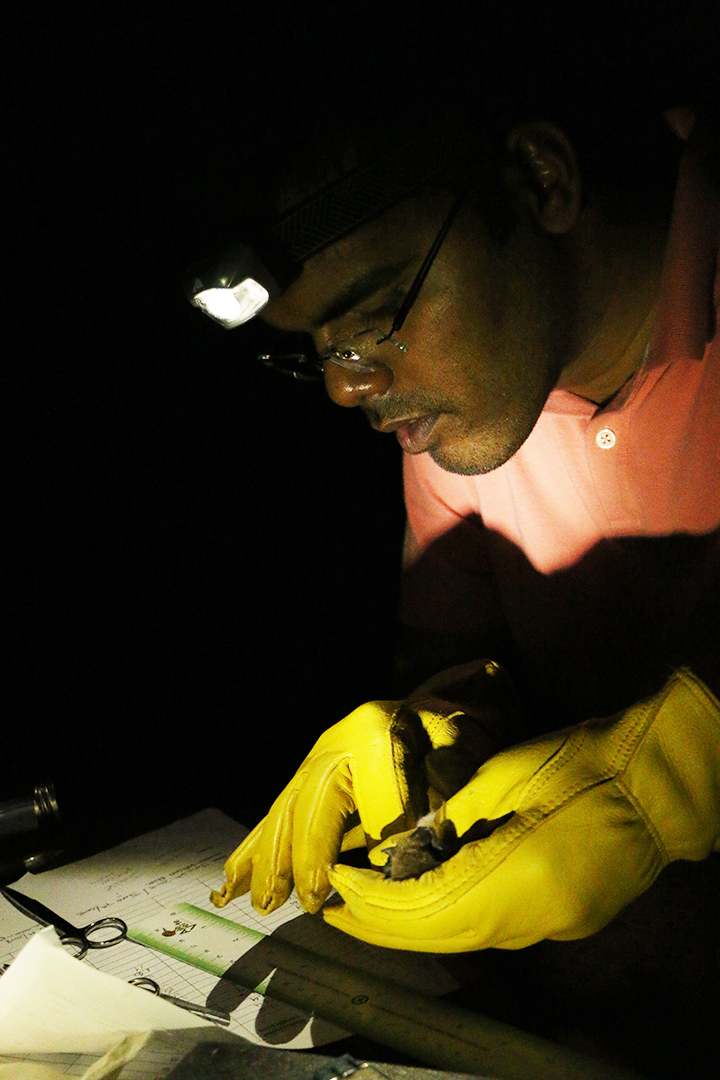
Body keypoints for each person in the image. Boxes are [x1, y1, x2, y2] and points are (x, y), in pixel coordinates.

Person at [191, 2, 720, 954]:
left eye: (375, 318)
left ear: (537, 180)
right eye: (319, 352)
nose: (350, 389)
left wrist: (674, 776)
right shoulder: (469, 412)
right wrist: (439, 732)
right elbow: (467, 661)